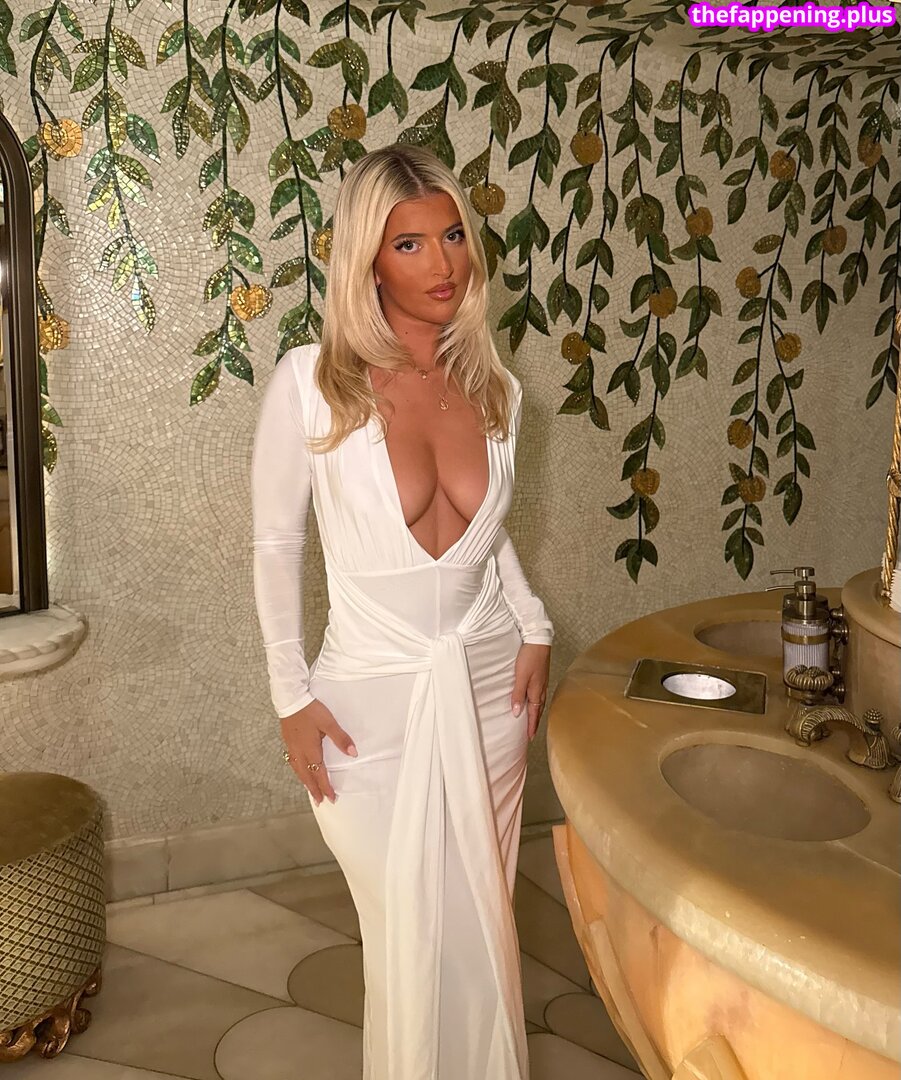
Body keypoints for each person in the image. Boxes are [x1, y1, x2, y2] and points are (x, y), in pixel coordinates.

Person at [250, 143, 554, 1080]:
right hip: (364, 708)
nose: (442, 263)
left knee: (482, 926)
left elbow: (481, 536)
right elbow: (275, 546)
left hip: (489, 687)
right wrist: (289, 697)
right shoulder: (311, 381)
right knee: (404, 936)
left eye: (453, 236)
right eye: (409, 244)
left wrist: (534, 624)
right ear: (367, 262)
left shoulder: (499, 389)